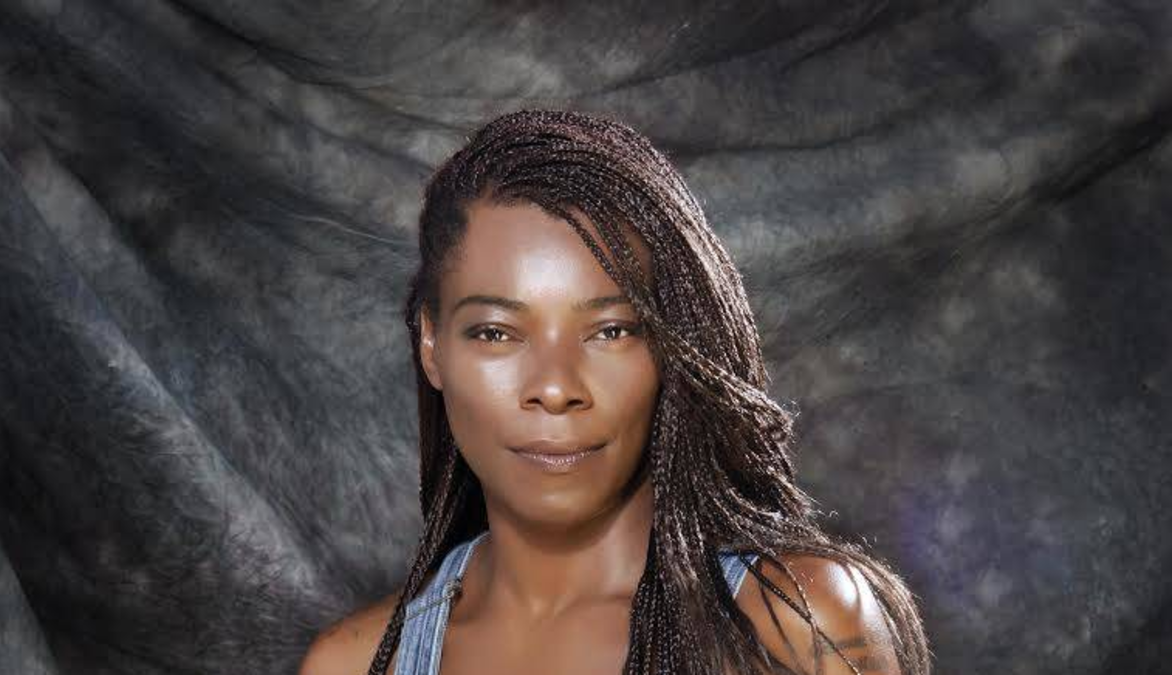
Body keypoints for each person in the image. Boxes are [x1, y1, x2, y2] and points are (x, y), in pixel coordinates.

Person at [298, 109, 931, 675]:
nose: (554, 388)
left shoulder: (797, 627)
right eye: (495, 333)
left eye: (611, 331)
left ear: (671, 348)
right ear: (432, 346)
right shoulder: (354, 662)